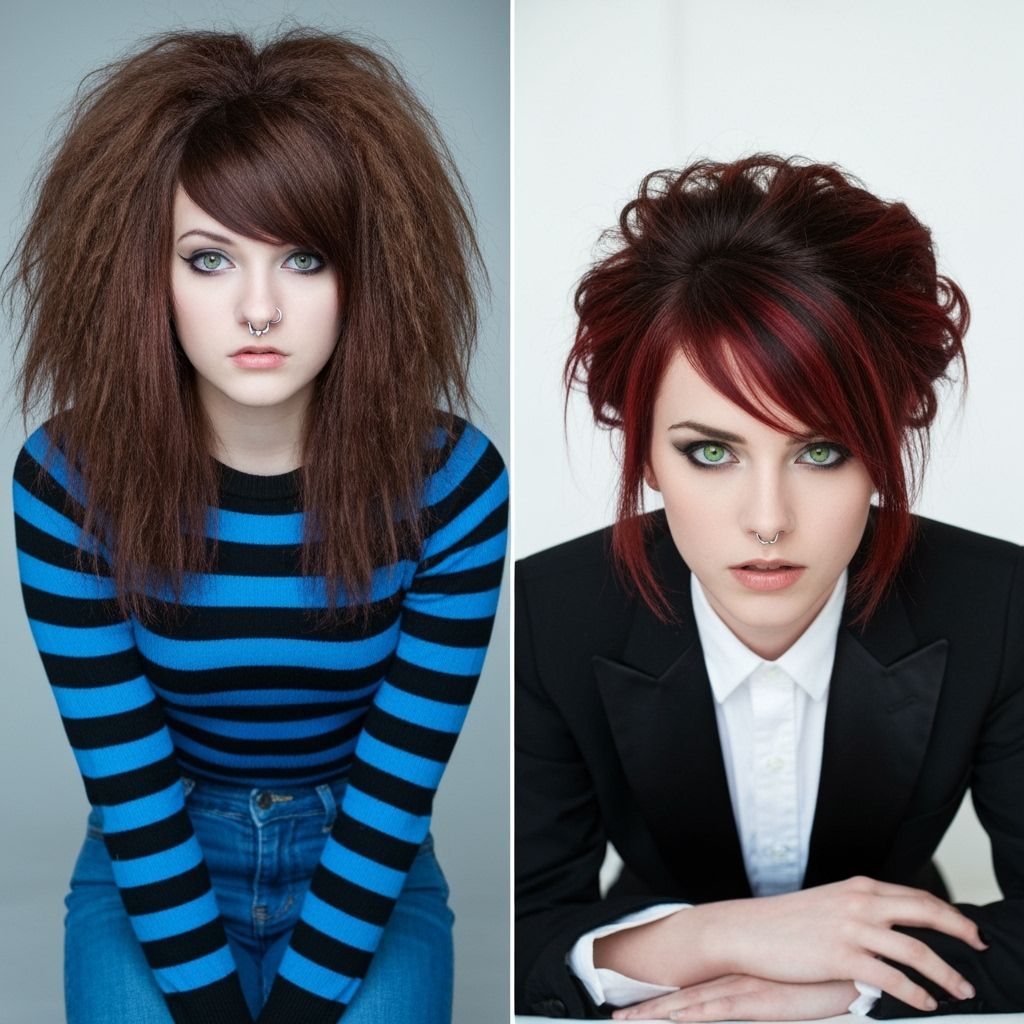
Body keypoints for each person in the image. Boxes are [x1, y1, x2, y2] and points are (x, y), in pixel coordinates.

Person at [7, 28, 508, 1024]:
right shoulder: (66, 481)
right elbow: (132, 787)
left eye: (305, 257)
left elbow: (393, 792)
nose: (259, 308)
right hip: (153, 864)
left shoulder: (454, 485)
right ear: (141, 275)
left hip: (366, 868)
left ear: (369, 273)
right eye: (208, 258)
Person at [515, 155, 1023, 1020]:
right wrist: (717, 941)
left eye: (820, 451)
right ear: (643, 450)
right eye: (709, 451)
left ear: (885, 443)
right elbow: (521, 930)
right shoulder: (548, 612)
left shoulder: (999, 604)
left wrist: (837, 991)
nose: (766, 520)